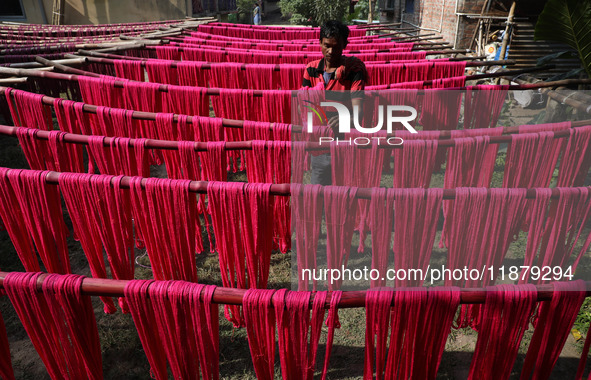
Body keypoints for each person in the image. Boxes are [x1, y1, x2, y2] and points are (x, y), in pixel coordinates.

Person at [302, 20, 368, 185]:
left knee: (343, 193)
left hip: (345, 145)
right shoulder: (311, 69)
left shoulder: (353, 70)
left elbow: (358, 112)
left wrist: (345, 119)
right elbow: (303, 106)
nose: (331, 51)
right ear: (320, 43)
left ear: (345, 44)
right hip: (318, 145)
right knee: (318, 192)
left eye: (336, 46)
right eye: (326, 45)